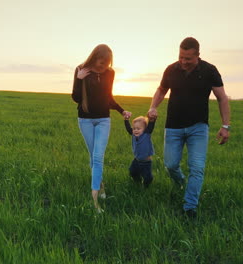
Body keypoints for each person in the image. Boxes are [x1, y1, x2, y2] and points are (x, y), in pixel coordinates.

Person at [148, 37, 231, 219]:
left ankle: (189, 207)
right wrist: (153, 107)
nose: (183, 62)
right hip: (173, 127)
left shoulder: (210, 71)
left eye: (188, 59)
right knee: (170, 165)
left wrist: (225, 126)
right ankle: (181, 183)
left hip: (198, 128)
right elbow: (161, 90)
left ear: (197, 56)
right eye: (181, 57)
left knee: (197, 168)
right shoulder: (171, 69)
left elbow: (222, 98)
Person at [72, 44, 132, 213]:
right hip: (85, 120)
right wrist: (79, 78)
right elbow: (76, 98)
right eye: (100, 63)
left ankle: (94, 200)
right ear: (94, 57)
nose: (103, 67)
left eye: (106, 64)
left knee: (98, 157)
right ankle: (101, 187)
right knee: (93, 157)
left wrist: (121, 111)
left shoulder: (110, 73)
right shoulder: (80, 69)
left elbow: (108, 97)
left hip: (103, 119)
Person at [124, 115, 156, 188]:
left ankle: (146, 185)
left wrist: (152, 120)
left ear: (145, 129)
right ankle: (137, 182)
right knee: (132, 172)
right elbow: (129, 129)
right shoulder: (133, 135)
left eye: (138, 128)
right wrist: (126, 120)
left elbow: (150, 127)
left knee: (147, 177)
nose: (135, 130)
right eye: (134, 128)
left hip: (146, 163)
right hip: (136, 160)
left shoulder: (146, 134)